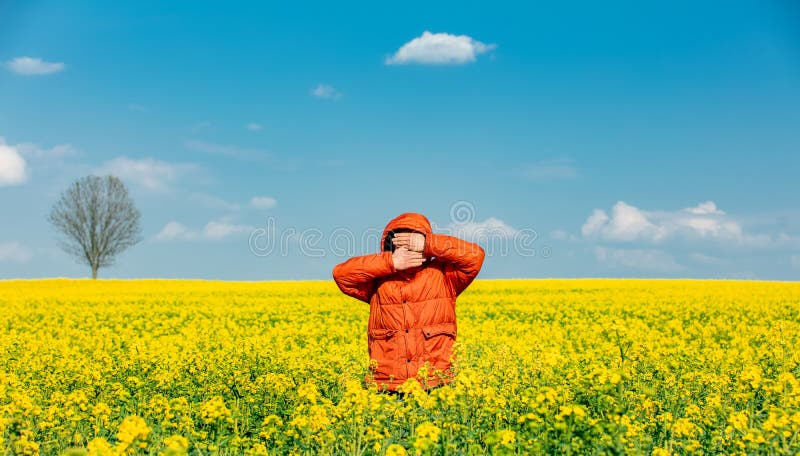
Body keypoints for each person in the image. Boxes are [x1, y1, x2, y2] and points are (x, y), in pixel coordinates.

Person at [332, 212, 485, 394]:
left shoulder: (444, 276)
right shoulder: (378, 280)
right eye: (400, 243)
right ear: (390, 245)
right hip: (388, 384)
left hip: (435, 382)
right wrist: (390, 262)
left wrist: (428, 244)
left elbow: (475, 257)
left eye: (412, 243)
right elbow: (342, 275)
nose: (407, 249)